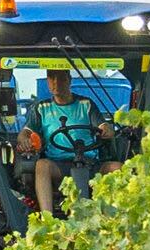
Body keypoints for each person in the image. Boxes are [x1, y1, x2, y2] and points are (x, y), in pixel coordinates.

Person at [26, 65, 107, 221]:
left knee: (116, 167)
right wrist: (24, 139)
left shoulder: (86, 104)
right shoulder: (41, 108)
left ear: (69, 80)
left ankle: (113, 221)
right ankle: (48, 220)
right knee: (42, 165)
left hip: (90, 162)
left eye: (61, 78)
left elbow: (103, 126)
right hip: (59, 165)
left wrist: (107, 130)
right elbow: (26, 132)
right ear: (47, 80)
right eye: (52, 77)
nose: (56, 82)